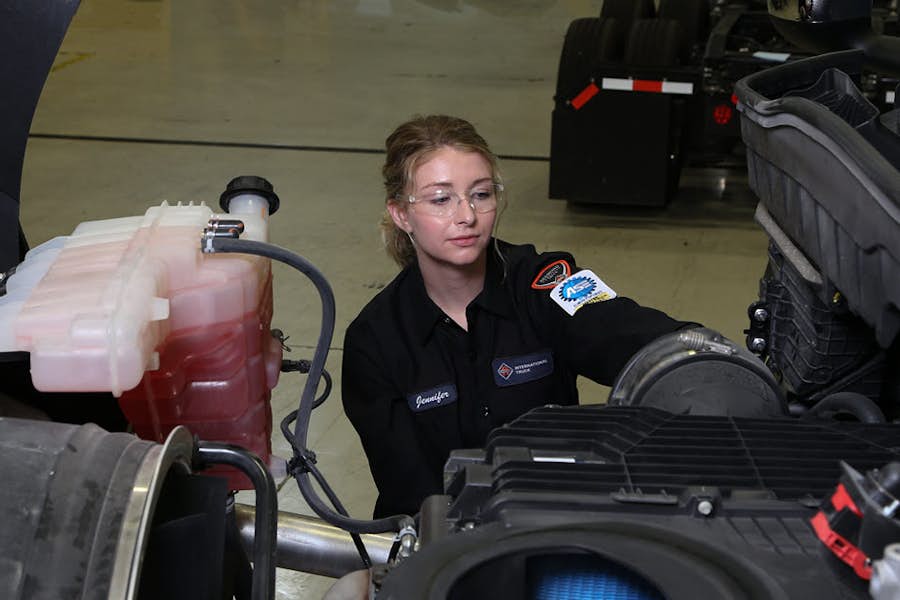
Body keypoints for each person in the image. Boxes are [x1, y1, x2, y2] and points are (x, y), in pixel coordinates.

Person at [342, 114, 695, 518]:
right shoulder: (376, 341)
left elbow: (631, 335)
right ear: (402, 214)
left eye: (481, 194)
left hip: (560, 521)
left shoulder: (544, 285)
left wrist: (704, 362)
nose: (467, 216)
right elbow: (411, 492)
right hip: (446, 545)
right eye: (441, 199)